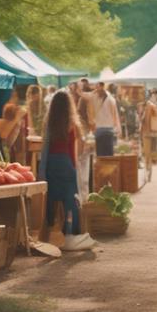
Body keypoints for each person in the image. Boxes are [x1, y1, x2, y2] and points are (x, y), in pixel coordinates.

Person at [40, 90, 97, 251]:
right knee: (71, 201)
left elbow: (45, 149)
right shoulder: (72, 124)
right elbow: (74, 151)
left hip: (51, 164)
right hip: (66, 164)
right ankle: (71, 234)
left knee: (51, 198)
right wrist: (74, 170)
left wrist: (42, 172)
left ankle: (48, 231)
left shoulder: (49, 124)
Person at [90, 81, 121, 157]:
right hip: (109, 130)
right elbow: (115, 115)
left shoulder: (95, 98)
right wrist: (118, 128)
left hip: (99, 130)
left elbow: (91, 115)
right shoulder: (111, 100)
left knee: (100, 156)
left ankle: (101, 168)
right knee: (109, 155)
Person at [140, 89, 157, 178]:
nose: (155, 97)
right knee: (147, 153)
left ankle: (149, 170)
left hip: (153, 132)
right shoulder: (147, 105)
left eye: (156, 95)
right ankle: (148, 170)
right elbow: (142, 118)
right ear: (151, 95)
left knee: (151, 153)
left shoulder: (156, 105)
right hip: (148, 132)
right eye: (154, 95)